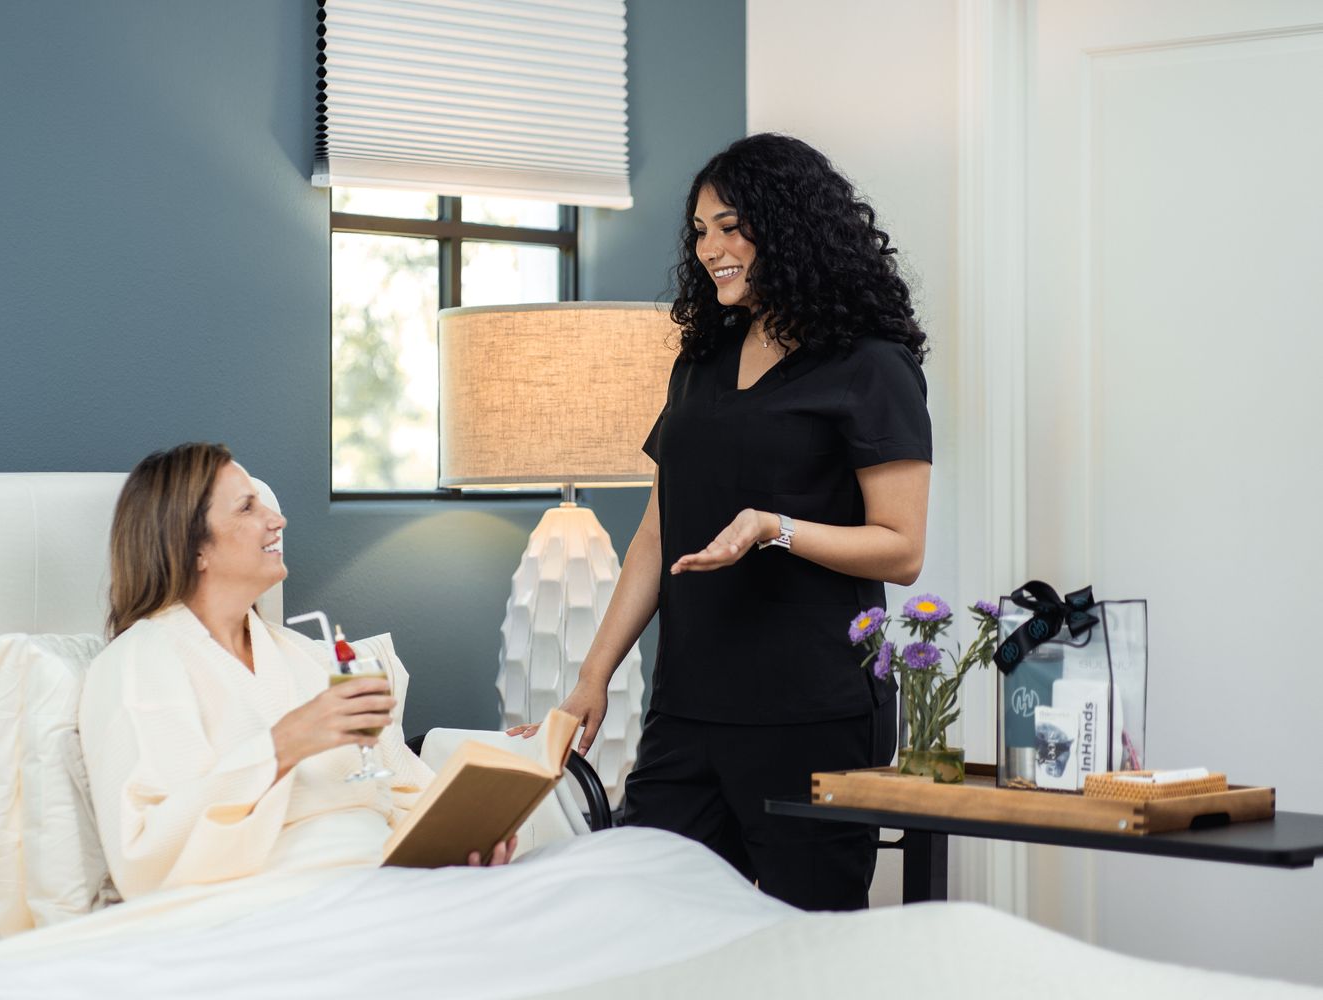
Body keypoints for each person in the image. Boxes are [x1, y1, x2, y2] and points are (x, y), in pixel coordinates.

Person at [512, 133, 932, 911]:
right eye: (701, 231)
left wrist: (776, 527)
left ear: (790, 227)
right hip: (689, 706)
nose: (711, 249)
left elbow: (901, 548)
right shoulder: (701, 360)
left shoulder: (872, 365)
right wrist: (592, 679)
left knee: (805, 944)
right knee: (646, 915)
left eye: (732, 227)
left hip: (814, 712)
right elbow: (655, 532)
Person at [79, 442, 513, 900]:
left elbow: (404, 789)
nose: (278, 520)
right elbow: (145, 857)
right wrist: (283, 745)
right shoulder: (138, 664)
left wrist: (461, 836)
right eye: (247, 507)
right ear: (193, 548)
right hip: (271, 899)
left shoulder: (307, 655)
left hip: (383, 881)